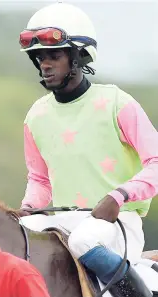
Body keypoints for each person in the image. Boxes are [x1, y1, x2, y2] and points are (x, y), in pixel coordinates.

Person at [17, 2, 158, 297]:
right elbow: (40, 179)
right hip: (61, 222)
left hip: (116, 223)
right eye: (40, 57)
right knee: (14, 236)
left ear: (78, 56)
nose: (45, 64)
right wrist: (28, 208)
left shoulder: (118, 103)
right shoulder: (36, 116)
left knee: (83, 241)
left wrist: (117, 197)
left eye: (54, 55)